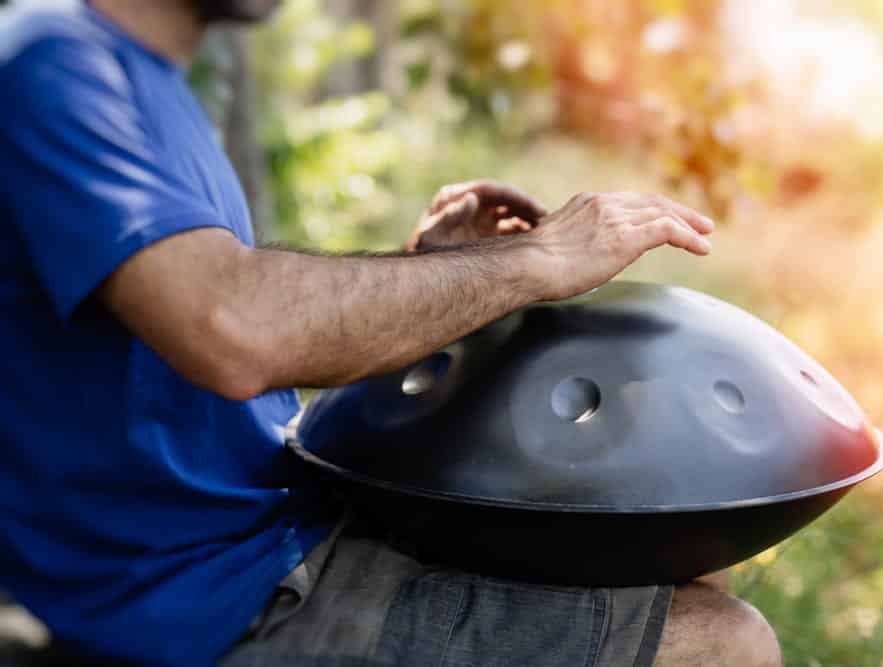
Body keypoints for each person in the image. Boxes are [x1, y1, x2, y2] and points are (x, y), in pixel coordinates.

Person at [0, 1, 783, 666]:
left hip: (268, 532)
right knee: (719, 640)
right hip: (195, 598)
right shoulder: (54, 65)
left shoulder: (153, 81)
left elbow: (205, 364)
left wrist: (432, 275)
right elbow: (234, 326)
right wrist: (536, 258)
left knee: (677, 568)